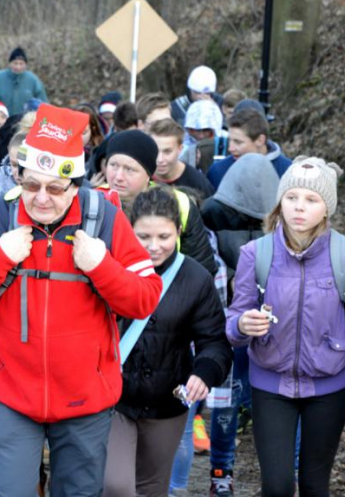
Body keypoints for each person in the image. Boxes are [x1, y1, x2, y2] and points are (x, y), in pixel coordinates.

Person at [0, 103, 162, 497]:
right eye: (30, 185)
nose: (41, 199)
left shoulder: (104, 220)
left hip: (85, 399)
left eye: (55, 188)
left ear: (76, 185)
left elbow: (145, 299)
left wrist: (101, 266)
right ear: (18, 177)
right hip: (11, 394)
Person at [226, 156, 345, 496]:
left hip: (329, 388)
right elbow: (233, 322)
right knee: (278, 487)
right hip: (270, 386)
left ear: (327, 209)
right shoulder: (256, 253)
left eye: (311, 200)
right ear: (280, 202)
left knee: (314, 485)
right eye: (292, 197)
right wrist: (241, 323)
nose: (299, 207)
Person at [103, 186, 231, 497]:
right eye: (144, 236)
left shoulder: (196, 278)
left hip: (168, 400)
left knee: (152, 488)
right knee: (115, 486)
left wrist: (204, 372)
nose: (154, 246)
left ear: (178, 231)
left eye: (164, 237)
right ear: (129, 230)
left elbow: (214, 341)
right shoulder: (110, 267)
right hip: (113, 398)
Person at [199, 153, 281, 496]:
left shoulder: (285, 220)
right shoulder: (213, 215)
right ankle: (221, 472)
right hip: (227, 321)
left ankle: (280, 476)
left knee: (271, 404)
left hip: (269, 325)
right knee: (224, 404)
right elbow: (209, 261)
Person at [99, 129, 218, 276]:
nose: (118, 177)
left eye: (129, 169)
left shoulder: (179, 204)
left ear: (148, 175)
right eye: (113, 165)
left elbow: (202, 268)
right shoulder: (92, 201)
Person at [208, 107, 291, 190]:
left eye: (238, 142)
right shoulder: (218, 172)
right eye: (230, 140)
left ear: (260, 140)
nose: (230, 148)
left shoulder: (288, 171)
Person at [150, 118, 215, 201]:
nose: (160, 159)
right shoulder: (141, 177)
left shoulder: (199, 184)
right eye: (155, 150)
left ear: (180, 149)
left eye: (167, 152)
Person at [0, 46, 48, 115]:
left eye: (21, 64)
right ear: (10, 63)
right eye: (15, 63)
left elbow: (43, 104)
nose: (18, 67)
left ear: (25, 64)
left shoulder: (33, 81)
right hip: (3, 122)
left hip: (25, 123)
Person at [180, 98, 225, 173]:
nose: (201, 136)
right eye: (194, 130)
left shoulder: (227, 141)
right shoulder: (179, 142)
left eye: (207, 130)